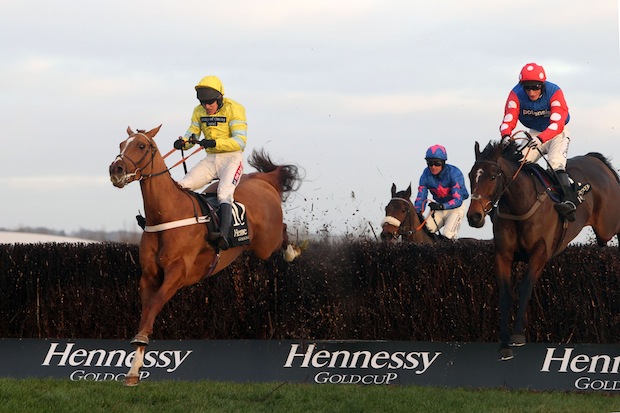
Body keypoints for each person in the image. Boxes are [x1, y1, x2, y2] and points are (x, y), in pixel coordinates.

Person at [173, 75, 247, 250]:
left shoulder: (235, 109)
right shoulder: (198, 111)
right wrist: (184, 142)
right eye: (203, 103)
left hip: (232, 158)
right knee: (182, 186)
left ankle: (223, 235)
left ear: (219, 98)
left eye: (210, 103)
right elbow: (192, 134)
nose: (207, 107)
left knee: (223, 193)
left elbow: (240, 142)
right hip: (211, 159)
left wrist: (215, 143)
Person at [499, 62, 576, 221]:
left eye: (535, 87)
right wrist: (506, 135)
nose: (531, 92)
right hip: (534, 132)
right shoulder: (515, 94)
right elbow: (508, 119)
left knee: (555, 163)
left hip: (557, 132)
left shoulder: (554, 91)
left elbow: (557, 123)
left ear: (542, 85)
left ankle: (569, 200)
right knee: (518, 163)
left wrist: (541, 138)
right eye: (527, 88)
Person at [413, 145, 469, 239]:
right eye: (430, 163)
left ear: (443, 163)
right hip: (438, 208)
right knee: (421, 234)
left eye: (437, 163)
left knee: (448, 235)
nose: (433, 167)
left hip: (455, 208)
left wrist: (442, 206)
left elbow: (458, 200)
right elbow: (421, 197)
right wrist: (417, 213)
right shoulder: (425, 174)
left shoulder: (454, 173)